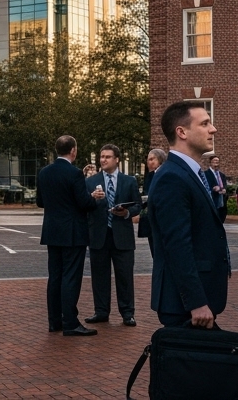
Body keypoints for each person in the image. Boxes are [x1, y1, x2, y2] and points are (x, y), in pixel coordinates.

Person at [150, 100, 230, 328]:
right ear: (182, 132)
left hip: (196, 301)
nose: (212, 129)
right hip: (184, 306)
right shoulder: (171, 178)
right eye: (204, 123)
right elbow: (177, 246)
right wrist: (196, 302)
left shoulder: (190, 173)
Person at [37, 135, 105, 335]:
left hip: (52, 230)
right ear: (73, 150)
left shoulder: (44, 172)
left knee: (55, 276)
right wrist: (94, 199)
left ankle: (54, 321)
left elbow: (41, 202)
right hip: (72, 231)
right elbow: (83, 203)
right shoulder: (74, 173)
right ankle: (70, 322)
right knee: (71, 277)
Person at [84, 143, 142, 327]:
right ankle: (101, 311)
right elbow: (84, 207)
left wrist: (126, 213)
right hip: (99, 236)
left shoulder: (129, 181)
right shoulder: (90, 182)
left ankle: (127, 313)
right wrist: (92, 198)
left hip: (122, 236)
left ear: (117, 159)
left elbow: (138, 205)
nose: (103, 160)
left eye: (107, 157)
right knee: (99, 276)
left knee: (124, 276)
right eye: (101, 157)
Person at [138, 148, 167, 257]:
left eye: (152, 159)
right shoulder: (150, 176)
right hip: (150, 220)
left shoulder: (166, 174)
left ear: (160, 159)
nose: (149, 162)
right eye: (148, 160)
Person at [200, 152, 228, 220]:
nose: (216, 162)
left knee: (221, 218)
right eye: (214, 161)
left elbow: (225, 185)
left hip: (222, 200)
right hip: (213, 199)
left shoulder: (222, 175)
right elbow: (205, 186)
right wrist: (214, 188)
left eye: (217, 161)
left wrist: (224, 189)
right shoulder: (205, 174)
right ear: (210, 163)